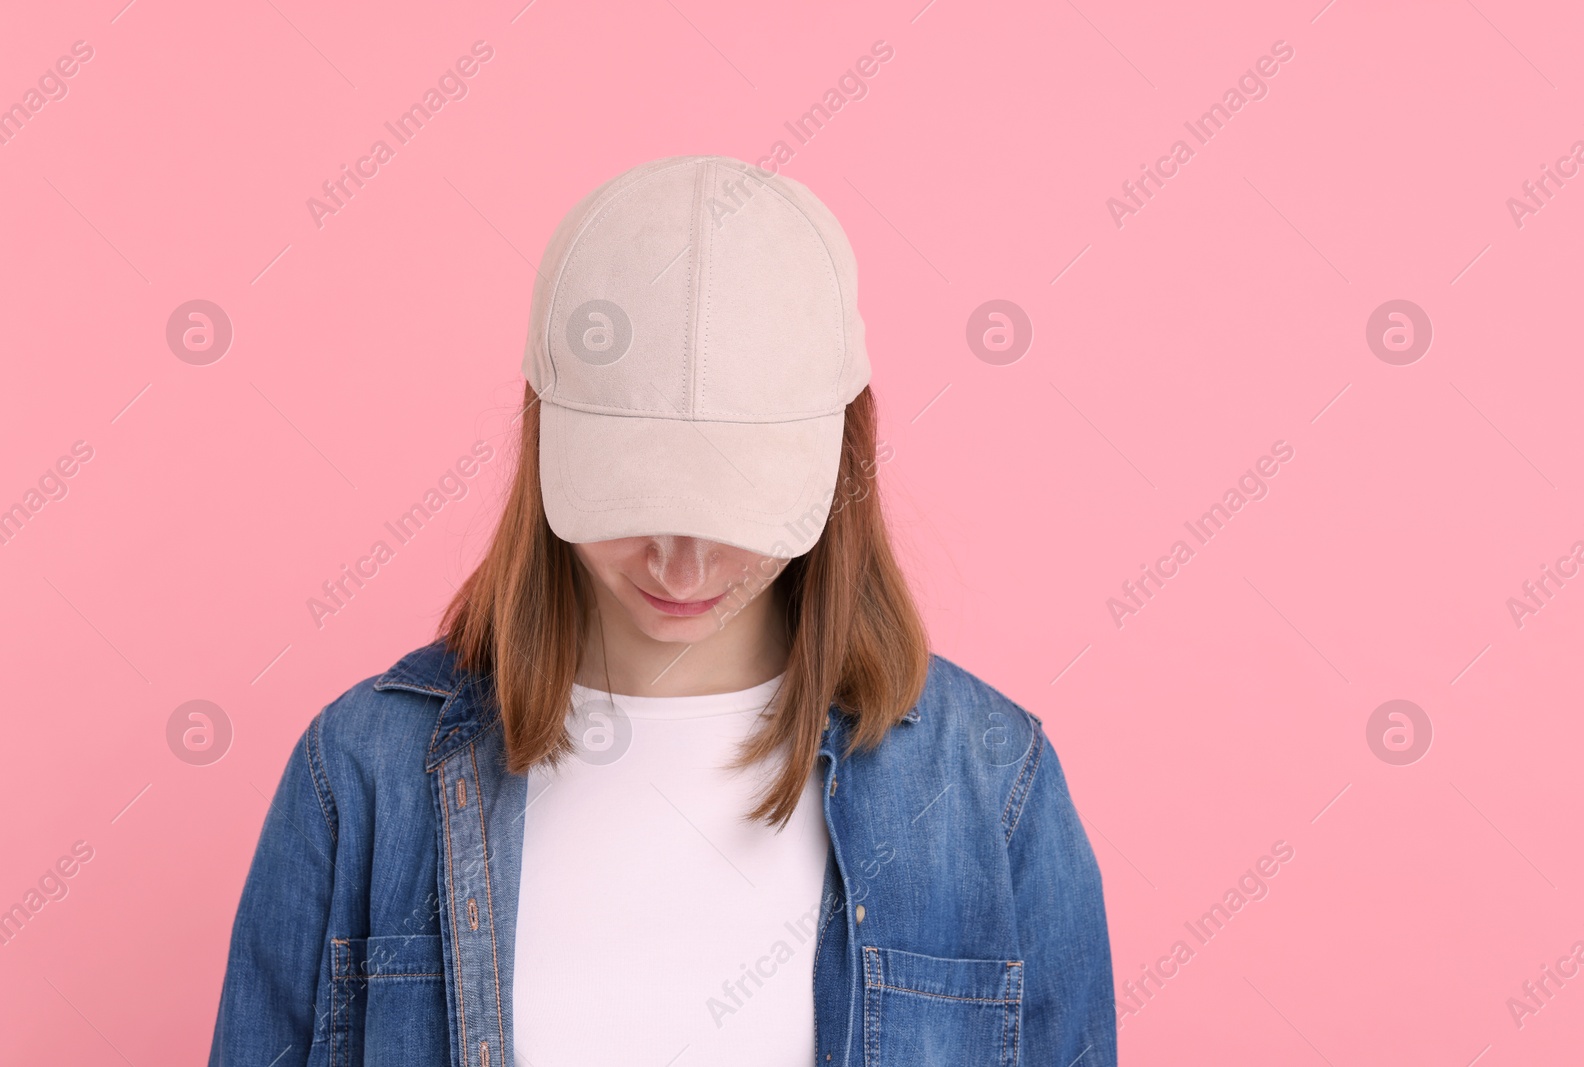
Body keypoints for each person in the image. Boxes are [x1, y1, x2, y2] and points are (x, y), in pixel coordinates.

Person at [208, 155, 1115, 1066]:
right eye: (633, 505)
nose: (681, 567)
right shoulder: (366, 773)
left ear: (840, 458)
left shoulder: (990, 786)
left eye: (734, 514)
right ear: (545, 436)